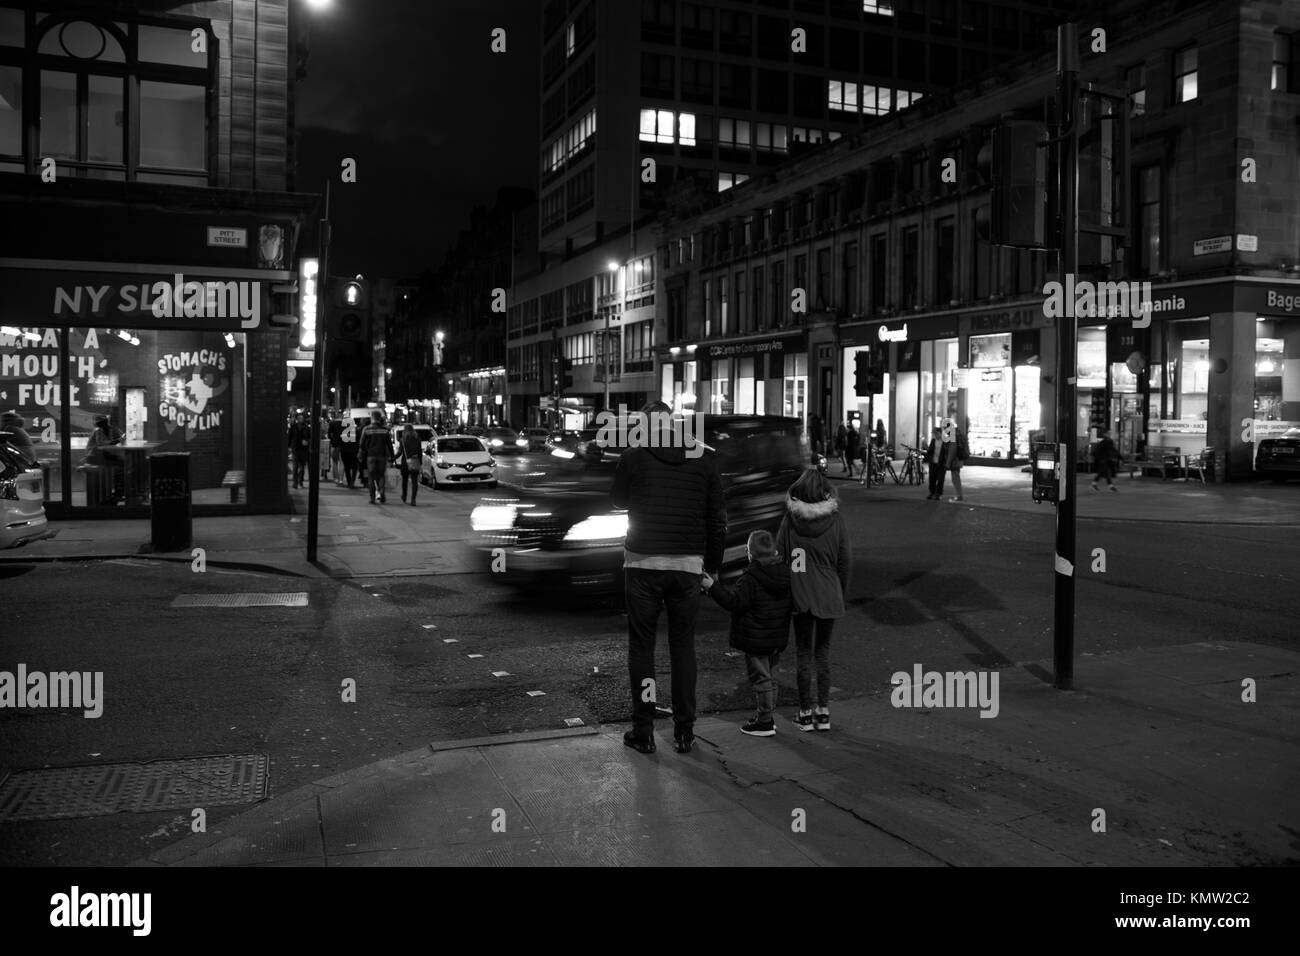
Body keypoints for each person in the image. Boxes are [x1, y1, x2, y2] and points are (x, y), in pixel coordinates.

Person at [612, 400, 727, 756]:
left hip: (643, 564)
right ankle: (684, 732)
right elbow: (716, 520)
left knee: (642, 649)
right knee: (682, 648)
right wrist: (713, 568)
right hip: (687, 566)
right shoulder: (704, 458)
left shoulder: (633, 457)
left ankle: (643, 731)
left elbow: (617, 501)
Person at [775, 468, 851, 732]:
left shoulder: (790, 519)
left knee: (803, 653)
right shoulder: (836, 519)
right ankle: (824, 711)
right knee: (823, 653)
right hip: (829, 592)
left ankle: (804, 712)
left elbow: (781, 557)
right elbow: (844, 561)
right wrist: (839, 590)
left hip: (800, 592)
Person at [702, 530, 791, 737]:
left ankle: (765, 722)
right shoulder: (784, 573)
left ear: (749, 553)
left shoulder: (750, 579)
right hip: (776, 635)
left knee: (761, 679)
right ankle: (767, 716)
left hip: (756, 638)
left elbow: (734, 603)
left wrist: (712, 586)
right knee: (771, 677)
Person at [82, 415, 124, 504]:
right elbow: (101, 444)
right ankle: (118, 491)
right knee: (120, 463)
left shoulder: (107, 430)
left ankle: (117, 491)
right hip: (94, 457)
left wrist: (118, 437)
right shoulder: (98, 430)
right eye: (103, 422)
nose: (105, 424)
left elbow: (117, 437)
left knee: (121, 462)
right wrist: (116, 441)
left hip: (100, 456)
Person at [359, 410, 395, 504]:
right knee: (381, 475)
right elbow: (389, 445)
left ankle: (372, 498)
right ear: (379, 418)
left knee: (371, 476)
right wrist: (392, 456)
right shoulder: (385, 430)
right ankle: (382, 491)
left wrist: (363, 452)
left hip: (370, 456)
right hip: (382, 456)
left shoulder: (366, 429)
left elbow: (361, 444)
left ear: (372, 418)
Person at [397, 423, 424, 506]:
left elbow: (400, 452)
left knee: (404, 480)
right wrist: (420, 462)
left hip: (405, 462)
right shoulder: (417, 439)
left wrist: (393, 458)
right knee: (414, 481)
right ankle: (413, 499)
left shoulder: (403, 440)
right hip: (415, 461)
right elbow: (420, 452)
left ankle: (404, 496)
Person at [942, 418, 969, 501]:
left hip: (955, 459)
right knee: (956, 476)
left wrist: (948, 462)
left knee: (955, 477)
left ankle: (959, 495)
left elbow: (952, 449)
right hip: (959, 458)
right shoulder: (959, 432)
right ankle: (959, 495)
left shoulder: (953, 435)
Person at [287, 412, 310, 488]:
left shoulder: (306, 427)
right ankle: (295, 483)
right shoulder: (293, 427)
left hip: (303, 449)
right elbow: (289, 438)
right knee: (295, 466)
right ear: (297, 419)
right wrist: (289, 447)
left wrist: (307, 441)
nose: (301, 419)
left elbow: (310, 437)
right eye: (299, 418)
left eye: (302, 418)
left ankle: (300, 481)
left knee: (302, 467)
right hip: (295, 449)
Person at [925, 426, 946, 500]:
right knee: (932, 479)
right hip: (933, 462)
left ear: (940, 433)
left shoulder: (944, 442)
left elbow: (946, 453)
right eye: (934, 434)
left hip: (941, 463)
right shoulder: (933, 441)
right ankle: (932, 492)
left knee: (940, 479)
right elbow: (930, 451)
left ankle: (939, 494)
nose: (935, 435)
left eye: (936, 433)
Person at [340, 417, 360, 489]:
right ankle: (352, 482)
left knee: (347, 467)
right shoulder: (356, 431)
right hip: (354, 452)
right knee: (354, 468)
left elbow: (339, 441)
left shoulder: (343, 432)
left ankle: (349, 482)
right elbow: (359, 441)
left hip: (344, 452)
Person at [328, 414, 344, 484]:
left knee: (334, 462)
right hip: (343, 445)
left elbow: (329, 434)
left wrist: (332, 440)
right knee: (342, 462)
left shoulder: (332, 424)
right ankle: (341, 479)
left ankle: (336, 478)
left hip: (334, 445)